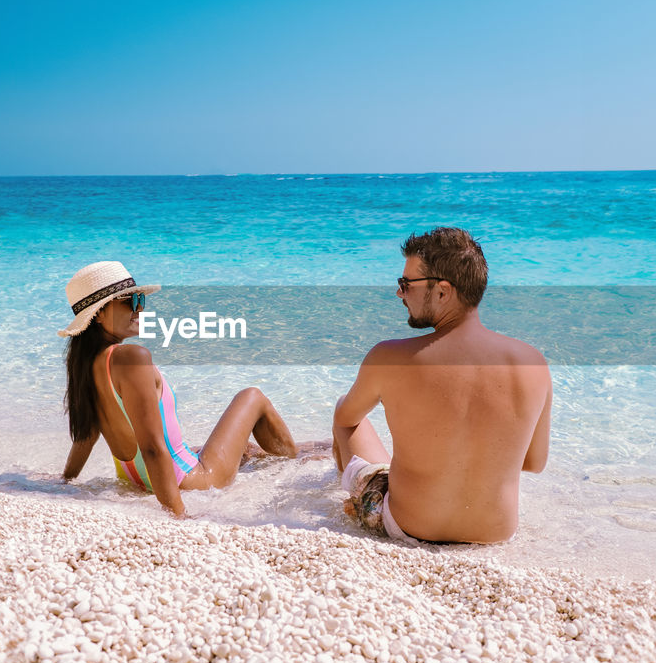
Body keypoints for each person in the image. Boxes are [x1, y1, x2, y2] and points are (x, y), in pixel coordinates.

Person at [332, 227, 551, 544]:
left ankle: (349, 500)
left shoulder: (389, 357)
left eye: (406, 284)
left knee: (345, 410)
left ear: (443, 291)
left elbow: (346, 419)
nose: (399, 294)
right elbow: (533, 463)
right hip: (495, 534)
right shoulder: (534, 363)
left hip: (409, 526)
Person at [58, 261, 299, 517]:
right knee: (252, 396)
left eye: (140, 300)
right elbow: (151, 447)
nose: (139, 309)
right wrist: (177, 513)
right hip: (193, 481)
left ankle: (294, 453)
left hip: (137, 480)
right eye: (130, 301)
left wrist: (66, 480)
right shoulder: (132, 358)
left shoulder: (87, 365)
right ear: (98, 314)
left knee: (240, 450)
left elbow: (86, 434)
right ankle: (295, 464)